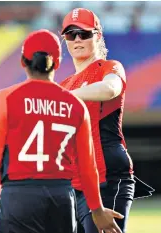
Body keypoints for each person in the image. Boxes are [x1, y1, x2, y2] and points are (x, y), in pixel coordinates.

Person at [0, 29, 123, 233]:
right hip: (60, 197)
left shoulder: (5, 98)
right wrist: (97, 209)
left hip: (18, 196)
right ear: (57, 63)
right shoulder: (75, 104)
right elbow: (87, 166)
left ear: (23, 62)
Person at [59, 8, 154, 233]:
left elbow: (111, 88)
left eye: (84, 33)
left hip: (107, 175)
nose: (78, 39)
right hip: (74, 182)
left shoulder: (109, 67)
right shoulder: (63, 84)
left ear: (98, 35)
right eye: (71, 34)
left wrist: (65, 97)